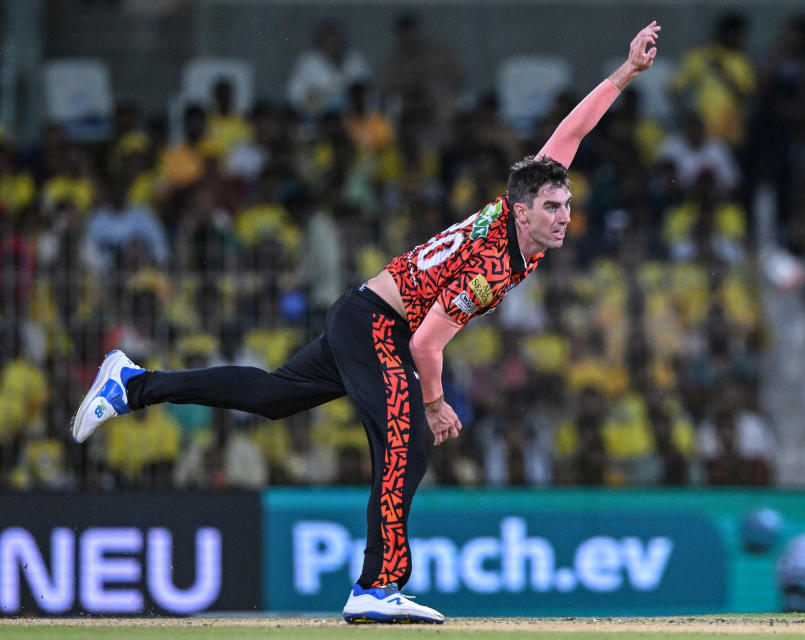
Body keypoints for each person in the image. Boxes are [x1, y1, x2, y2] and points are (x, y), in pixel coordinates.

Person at [71, 21, 661, 624]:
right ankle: (377, 586)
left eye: (567, 205)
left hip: (365, 315)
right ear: (522, 210)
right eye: (553, 208)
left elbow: (572, 131)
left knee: (275, 396)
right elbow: (429, 344)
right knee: (409, 444)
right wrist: (434, 404)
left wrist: (627, 73)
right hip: (380, 325)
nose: (565, 217)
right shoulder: (495, 263)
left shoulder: (522, 206)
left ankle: (133, 385)